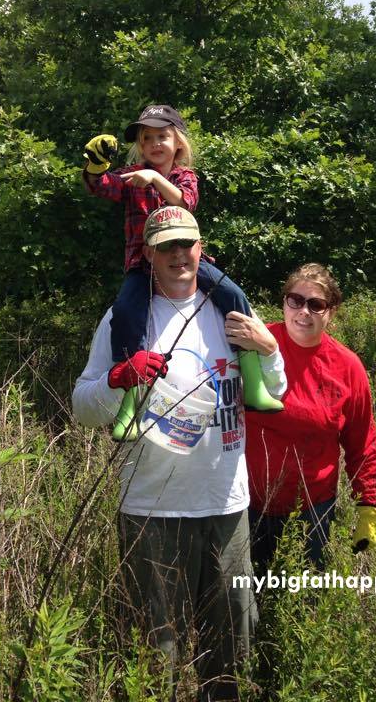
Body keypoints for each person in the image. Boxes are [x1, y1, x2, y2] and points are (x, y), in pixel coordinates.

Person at [72, 206, 287, 702]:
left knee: (231, 650)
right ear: (148, 254)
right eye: (165, 246)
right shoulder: (124, 318)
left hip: (226, 508)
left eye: (185, 244)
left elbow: (277, 386)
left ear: (200, 248)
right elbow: (83, 407)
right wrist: (116, 380)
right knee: (155, 655)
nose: (177, 255)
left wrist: (270, 348)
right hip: (151, 511)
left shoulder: (232, 311)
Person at [83, 103, 282, 422]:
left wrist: (153, 179)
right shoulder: (132, 176)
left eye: (162, 136)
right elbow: (102, 186)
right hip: (142, 264)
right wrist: (95, 165)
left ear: (178, 142)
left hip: (188, 261)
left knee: (234, 296)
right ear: (140, 146)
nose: (155, 144)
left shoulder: (184, 176)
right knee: (124, 314)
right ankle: (129, 405)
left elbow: (185, 200)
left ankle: (254, 382)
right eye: (147, 138)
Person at [226, 263, 376, 572]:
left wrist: (369, 505)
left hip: (311, 511)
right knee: (244, 601)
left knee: (304, 601)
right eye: (295, 300)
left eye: (316, 304)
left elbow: (362, 443)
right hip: (243, 503)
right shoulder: (254, 342)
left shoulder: (347, 367)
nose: (303, 311)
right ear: (284, 302)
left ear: (331, 311)